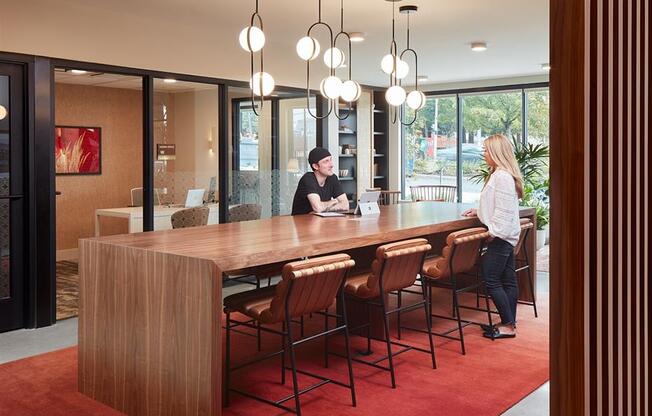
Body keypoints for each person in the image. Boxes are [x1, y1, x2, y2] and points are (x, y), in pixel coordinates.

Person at [462, 134, 523, 339]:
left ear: (496, 153)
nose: (484, 154)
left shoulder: (502, 177)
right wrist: (478, 210)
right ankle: (509, 323)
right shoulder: (502, 174)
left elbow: (503, 212)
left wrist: (492, 232)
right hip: (506, 236)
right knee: (508, 280)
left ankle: (508, 325)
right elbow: (497, 205)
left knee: (492, 280)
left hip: (500, 237)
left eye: (487, 150)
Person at [291, 147, 349, 215]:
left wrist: (324, 208)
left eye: (330, 160)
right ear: (315, 166)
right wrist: (333, 202)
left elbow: (346, 205)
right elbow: (318, 208)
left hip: (320, 221)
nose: (331, 165)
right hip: (301, 222)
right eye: (326, 161)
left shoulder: (332, 178)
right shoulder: (308, 179)